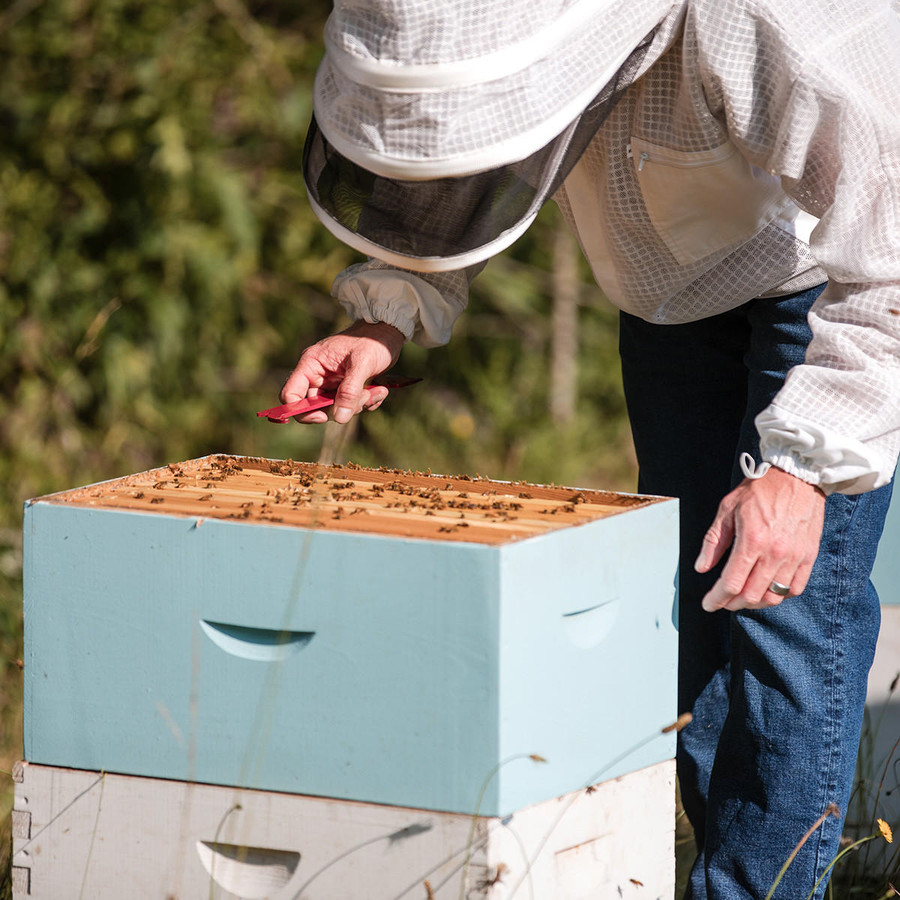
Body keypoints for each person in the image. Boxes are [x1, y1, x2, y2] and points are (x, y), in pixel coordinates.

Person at [281, 1, 900, 896]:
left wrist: (804, 471)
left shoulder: (773, 22)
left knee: (786, 612)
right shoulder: (512, 22)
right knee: (695, 601)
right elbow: (473, 144)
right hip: (668, 294)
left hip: (835, 288)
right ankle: (718, 867)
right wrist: (389, 314)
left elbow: (891, 252)